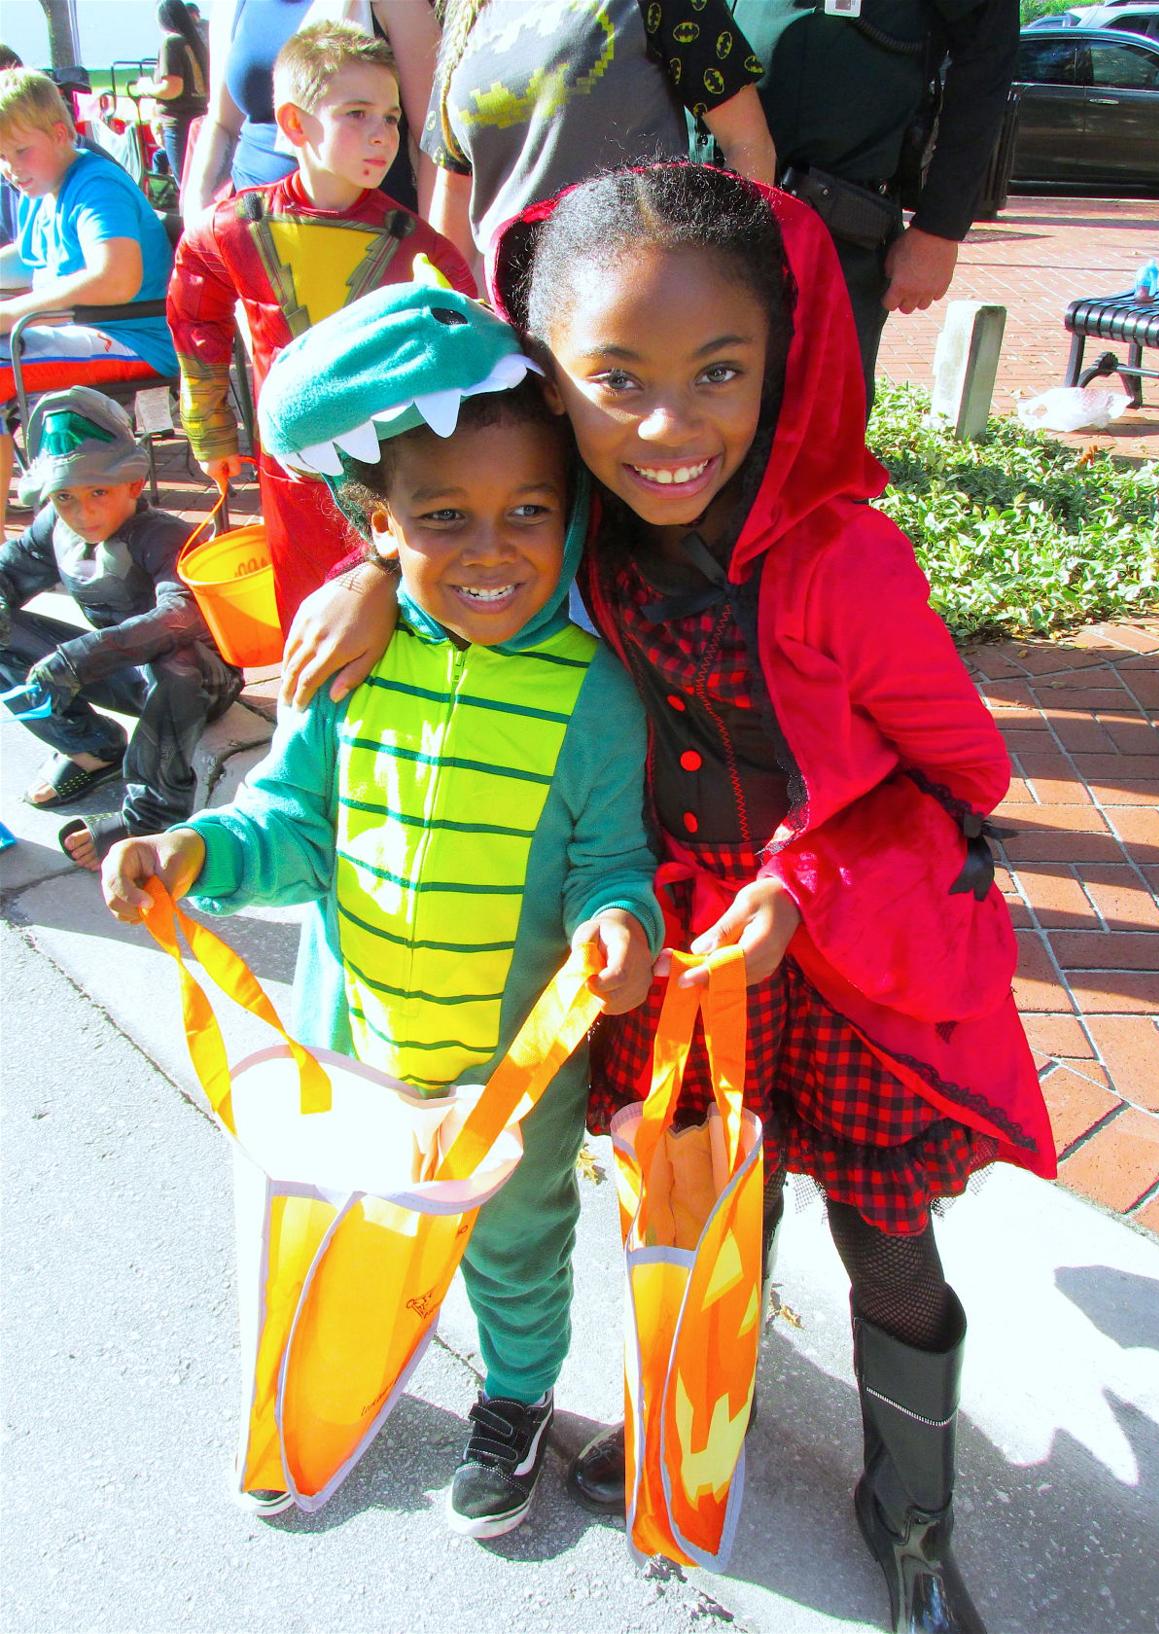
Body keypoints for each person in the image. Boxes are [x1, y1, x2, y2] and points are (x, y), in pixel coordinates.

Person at [282, 163, 1056, 1634]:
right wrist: (364, 572)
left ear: (784, 363)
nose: (667, 425)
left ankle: (910, 1519)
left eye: (719, 371)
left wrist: (800, 883)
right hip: (689, 960)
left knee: (889, 1247)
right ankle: (694, 1420)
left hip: (844, 960)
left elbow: (965, 774)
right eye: (615, 379)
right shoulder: (583, 533)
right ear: (550, 382)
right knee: (702, 1212)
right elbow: (421, 489)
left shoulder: (844, 559)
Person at [100, 280, 663, 1540]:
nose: (490, 548)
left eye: (528, 511)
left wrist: (621, 924)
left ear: (573, 516)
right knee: (348, 1216)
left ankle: (514, 1397)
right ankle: (340, 1359)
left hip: (511, 1075)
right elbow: (289, 830)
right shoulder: (348, 669)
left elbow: (610, 863)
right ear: (381, 528)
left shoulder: (598, 696)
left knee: (517, 1243)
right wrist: (191, 851)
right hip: (356, 1044)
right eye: (443, 515)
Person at [167, 20, 474, 631]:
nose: (382, 134)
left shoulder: (417, 244)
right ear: (295, 124)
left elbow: (466, 337)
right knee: (307, 614)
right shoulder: (235, 228)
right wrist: (209, 429)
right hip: (289, 478)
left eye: (391, 117)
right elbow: (195, 318)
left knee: (401, 610)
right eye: (357, 114)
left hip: (390, 468)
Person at [714, 0, 1018, 409]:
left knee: (816, 427)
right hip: (701, 217)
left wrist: (940, 228)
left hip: (833, 235)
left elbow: (987, 53)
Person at [0, 387, 242, 870]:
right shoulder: (54, 528)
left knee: (179, 662)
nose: (82, 513)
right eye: (65, 497)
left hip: (199, 684)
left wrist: (76, 660)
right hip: (123, 674)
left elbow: (179, 616)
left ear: (133, 484)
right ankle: (92, 749)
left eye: (98, 493)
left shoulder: (165, 536)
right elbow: (8, 570)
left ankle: (149, 816)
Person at [423, 0, 776, 271]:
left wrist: (732, 278)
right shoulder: (463, 14)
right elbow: (453, 190)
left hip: (640, 294)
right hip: (510, 322)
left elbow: (747, 143)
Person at [0, 69, 175, 534]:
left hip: (135, 336)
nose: (10, 168)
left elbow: (116, 278)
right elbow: (27, 259)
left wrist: (12, 312)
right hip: (87, 329)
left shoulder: (96, 185)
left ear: (60, 133)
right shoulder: (42, 186)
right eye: (1, 157)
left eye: (20, 151)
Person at [182, 0, 443, 224]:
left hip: (369, 238)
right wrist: (197, 216)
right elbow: (220, 123)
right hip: (251, 229)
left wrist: (434, 249)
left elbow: (435, 141)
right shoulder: (235, 6)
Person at [131, 0, 210, 184]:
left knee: (185, 183)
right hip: (198, 120)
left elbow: (172, 88)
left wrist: (145, 87)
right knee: (200, 182)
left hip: (178, 124)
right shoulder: (195, 42)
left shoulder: (171, 42)